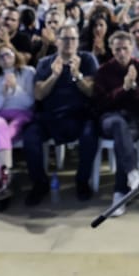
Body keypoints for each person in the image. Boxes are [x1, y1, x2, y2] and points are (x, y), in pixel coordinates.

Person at [26, 21, 100, 204]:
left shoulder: (87, 59)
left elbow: (91, 92)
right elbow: (39, 94)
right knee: (30, 136)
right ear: (57, 41)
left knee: (90, 134)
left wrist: (77, 75)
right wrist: (54, 76)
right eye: (65, 38)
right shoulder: (45, 63)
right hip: (50, 117)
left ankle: (82, 181)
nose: (69, 42)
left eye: (73, 38)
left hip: (79, 116)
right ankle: (40, 183)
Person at [92, 30, 139, 212]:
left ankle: (120, 193)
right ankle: (132, 173)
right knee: (118, 125)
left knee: (122, 139)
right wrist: (123, 89)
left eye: (125, 48)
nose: (122, 53)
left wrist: (133, 87)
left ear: (132, 48)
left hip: (133, 119)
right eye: (117, 49)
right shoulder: (103, 71)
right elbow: (100, 104)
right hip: (110, 117)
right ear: (111, 50)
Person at [0, 43, 36, 212]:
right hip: (0, 114)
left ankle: (2, 178)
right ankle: (5, 174)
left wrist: (15, 88)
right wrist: (3, 95)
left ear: (15, 55)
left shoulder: (28, 72)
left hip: (21, 114)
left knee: (5, 133)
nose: (6, 58)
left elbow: (30, 103)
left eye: (9, 54)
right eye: (1, 56)